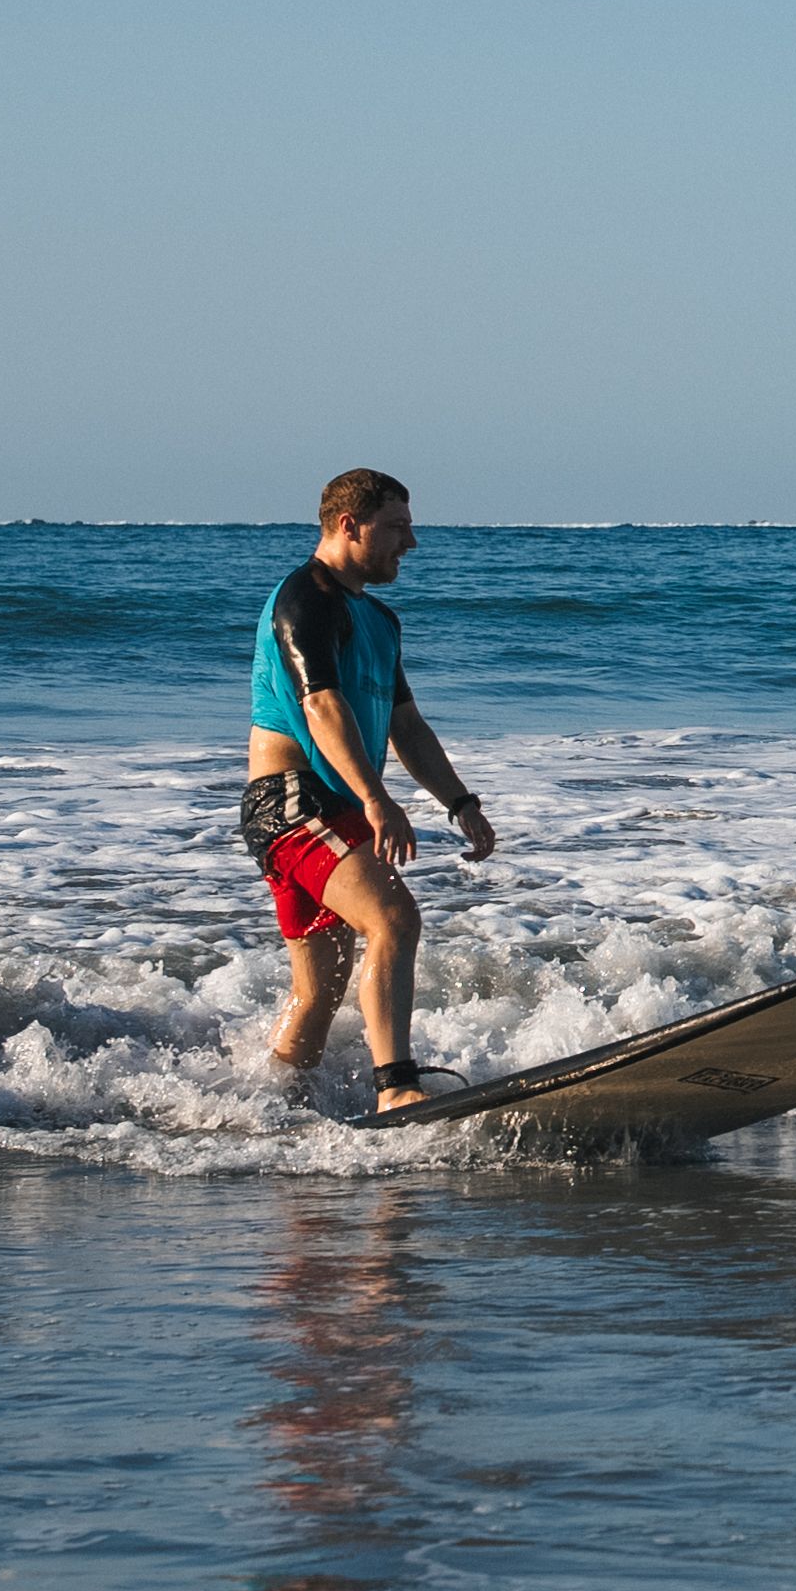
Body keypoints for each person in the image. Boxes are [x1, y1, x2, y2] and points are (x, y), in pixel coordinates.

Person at [240, 468, 497, 1110]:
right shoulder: (304, 598)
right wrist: (377, 799)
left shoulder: (379, 618)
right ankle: (396, 1090)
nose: (410, 543)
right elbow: (322, 704)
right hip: (293, 801)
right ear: (349, 525)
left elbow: (406, 726)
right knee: (394, 917)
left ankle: (269, 1108)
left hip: (335, 806)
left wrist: (459, 801)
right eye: (398, 527)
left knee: (320, 989)